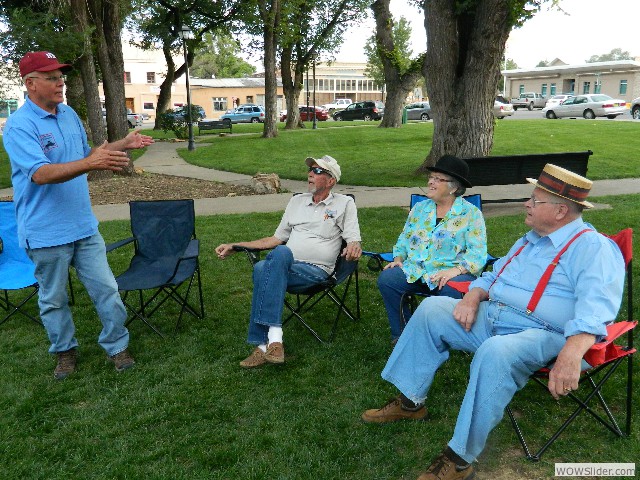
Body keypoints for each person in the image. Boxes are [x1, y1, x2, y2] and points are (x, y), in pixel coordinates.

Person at [361, 164, 625, 480]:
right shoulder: (530, 239)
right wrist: (472, 298)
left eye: (535, 201)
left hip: (544, 333)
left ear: (560, 211)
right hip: (494, 317)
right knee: (432, 309)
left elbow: (597, 312)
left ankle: (458, 460)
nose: (527, 204)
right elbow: (490, 275)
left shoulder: (592, 248)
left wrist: (571, 355)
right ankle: (410, 401)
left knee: (496, 351)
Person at [3, 51, 154, 380]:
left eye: (61, 76)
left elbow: (86, 156)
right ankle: (65, 352)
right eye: (52, 77)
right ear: (30, 84)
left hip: (83, 227)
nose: (61, 83)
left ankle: (117, 346)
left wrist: (122, 144)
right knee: (53, 300)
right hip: (44, 232)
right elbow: (41, 174)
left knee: (107, 291)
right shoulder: (18, 127)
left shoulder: (69, 114)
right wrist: (92, 163)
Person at [216, 155, 362, 368]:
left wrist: (353, 248)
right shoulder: (296, 201)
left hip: (316, 273)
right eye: (310, 170)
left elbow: (353, 239)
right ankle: (272, 342)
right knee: (275, 258)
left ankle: (263, 343)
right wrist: (236, 245)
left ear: (331, 180)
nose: (310, 173)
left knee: (265, 265)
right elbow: (274, 239)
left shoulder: (345, 203)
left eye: (318, 171)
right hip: (285, 267)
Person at [377, 155, 487, 343]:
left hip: (452, 273)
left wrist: (455, 271)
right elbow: (404, 239)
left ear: (454, 187)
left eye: (438, 179)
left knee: (451, 291)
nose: (430, 182)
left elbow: (478, 254)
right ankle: (403, 335)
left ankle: (443, 337)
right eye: (431, 178)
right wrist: (398, 259)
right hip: (417, 270)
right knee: (388, 279)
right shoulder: (420, 209)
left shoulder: (471, 214)